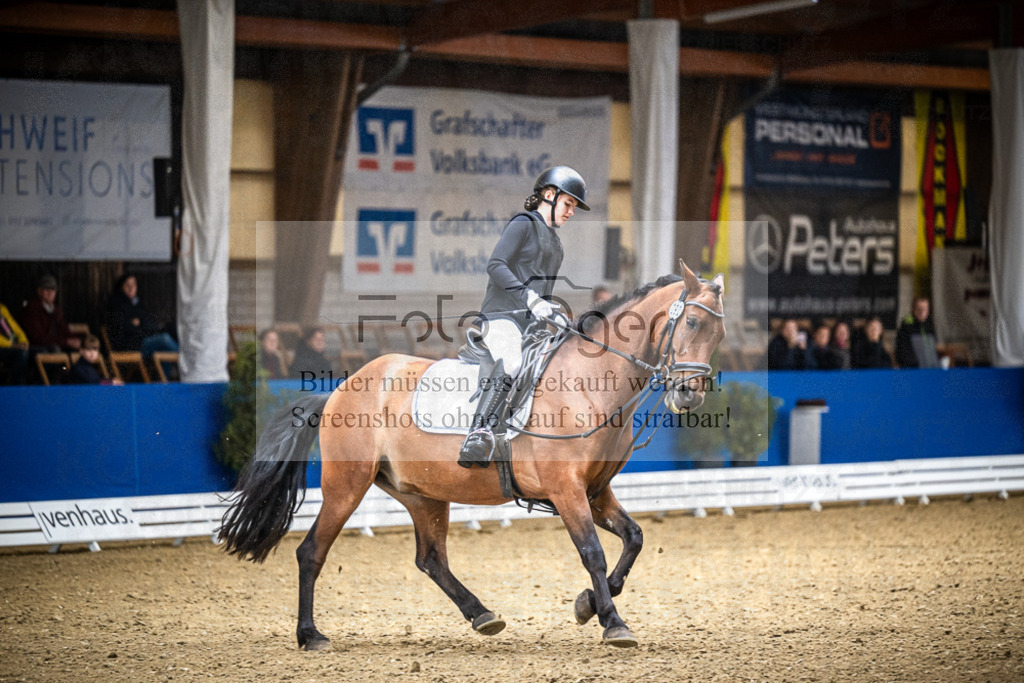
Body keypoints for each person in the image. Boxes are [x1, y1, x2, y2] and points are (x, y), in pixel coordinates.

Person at [458, 165, 589, 468]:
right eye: (569, 204)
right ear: (549, 195)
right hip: (501, 317)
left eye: (573, 208)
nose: (571, 212)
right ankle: (479, 432)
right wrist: (529, 298)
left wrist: (551, 312)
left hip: (530, 326)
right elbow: (496, 264)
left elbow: (545, 294)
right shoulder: (523, 224)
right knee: (514, 362)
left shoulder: (556, 243)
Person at [105, 274, 178, 361]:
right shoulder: (115, 305)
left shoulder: (137, 303)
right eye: (127, 285)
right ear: (121, 287)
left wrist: (140, 323)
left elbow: (150, 322)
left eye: (133, 285)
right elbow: (122, 328)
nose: (131, 288)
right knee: (164, 339)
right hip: (130, 346)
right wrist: (141, 325)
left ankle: (164, 375)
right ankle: (187, 358)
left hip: (143, 340)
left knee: (166, 346)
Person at [20, 274, 81, 353]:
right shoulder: (32, 308)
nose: (50, 292)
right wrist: (65, 341)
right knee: (54, 350)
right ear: (39, 291)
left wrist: (73, 340)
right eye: (46, 289)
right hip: (38, 347)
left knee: (83, 349)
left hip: (57, 343)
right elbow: (38, 338)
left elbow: (64, 329)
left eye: (52, 289)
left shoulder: (56, 310)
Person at [895, 296, 938, 368]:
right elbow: (901, 353)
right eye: (919, 309)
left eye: (925, 309)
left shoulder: (929, 326)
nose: (922, 312)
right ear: (913, 310)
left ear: (928, 311)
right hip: (913, 370)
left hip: (930, 368)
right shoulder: (906, 327)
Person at [0, 295, 30, 384]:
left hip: (14, 345)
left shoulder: (2, 308)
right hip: (4, 347)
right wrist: (12, 345)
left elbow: (16, 329)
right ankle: (15, 386)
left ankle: (46, 386)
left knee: (40, 351)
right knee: (21, 354)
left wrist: (24, 341)